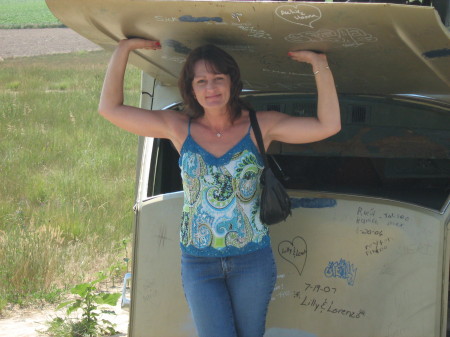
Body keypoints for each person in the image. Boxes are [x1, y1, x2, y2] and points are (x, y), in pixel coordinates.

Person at [99, 38, 341, 337]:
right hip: (198, 262)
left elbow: (328, 125)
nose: (210, 87)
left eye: (217, 78)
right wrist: (123, 49)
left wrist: (320, 65)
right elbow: (110, 108)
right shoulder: (178, 127)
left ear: (232, 82)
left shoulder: (260, 126)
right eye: (201, 81)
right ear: (191, 87)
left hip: (252, 260)